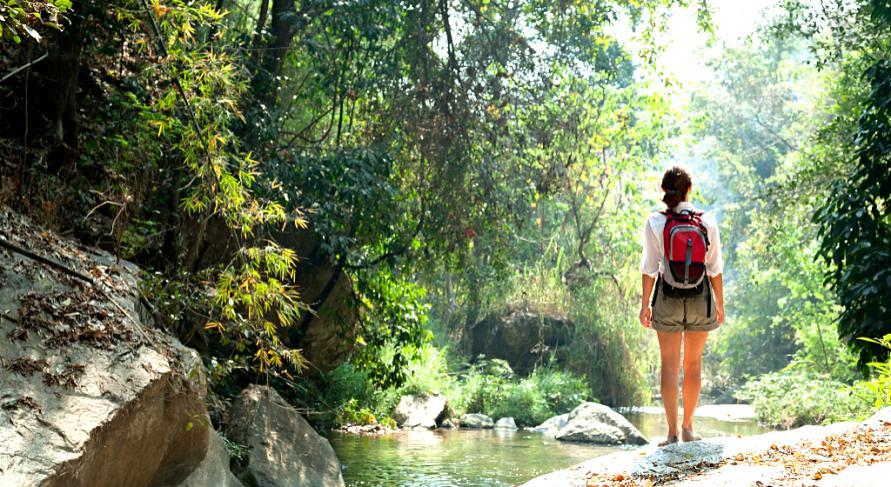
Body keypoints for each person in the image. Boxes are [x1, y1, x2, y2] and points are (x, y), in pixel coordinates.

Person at [638, 166, 725, 446]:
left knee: (669, 365)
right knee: (693, 364)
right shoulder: (707, 220)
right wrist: (720, 305)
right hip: (701, 297)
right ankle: (689, 428)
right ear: (689, 188)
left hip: (667, 296)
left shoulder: (656, 221)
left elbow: (649, 268)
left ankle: (672, 433)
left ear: (665, 191)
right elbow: (715, 268)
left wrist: (644, 306)